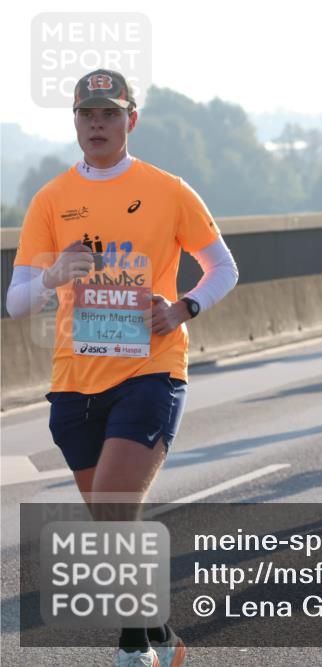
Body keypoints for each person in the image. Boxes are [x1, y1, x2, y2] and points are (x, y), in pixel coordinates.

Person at [6, 69, 238, 667]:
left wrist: (184, 308)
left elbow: (224, 268)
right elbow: (16, 302)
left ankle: (133, 647)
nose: (98, 125)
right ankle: (163, 633)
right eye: (87, 114)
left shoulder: (168, 190)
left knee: (114, 501)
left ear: (130, 119)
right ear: (75, 122)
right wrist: (53, 276)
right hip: (74, 382)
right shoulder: (51, 199)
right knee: (111, 525)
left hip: (151, 369)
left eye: (110, 114)